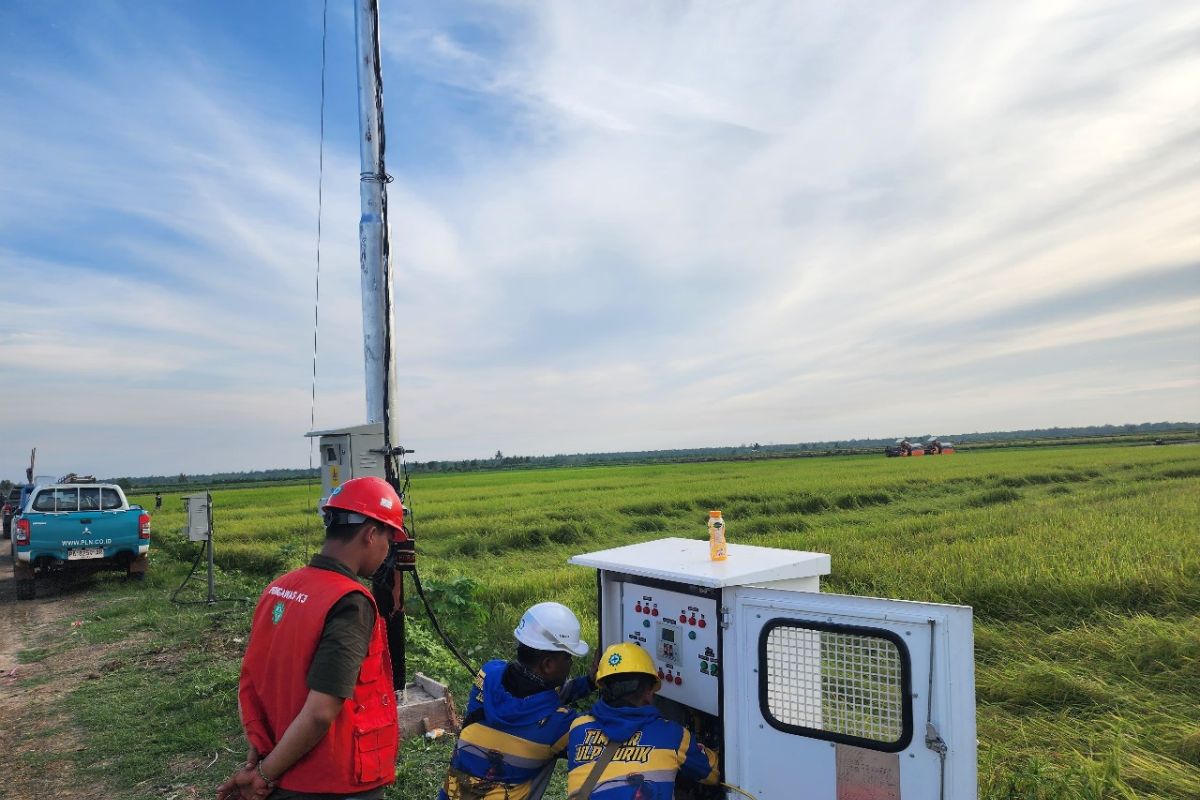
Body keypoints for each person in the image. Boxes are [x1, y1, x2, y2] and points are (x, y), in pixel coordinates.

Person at [217, 476, 404, 800]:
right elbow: (320, 712)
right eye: (388, 539)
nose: (387, 551)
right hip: (333, 784)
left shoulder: (278, 589)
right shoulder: (349, 602)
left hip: (283, 772)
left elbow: (254, 681)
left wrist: (259, 755)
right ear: (371, 534)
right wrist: (263, 774)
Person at [439, 602, 594, 800]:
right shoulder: (557, 726)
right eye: (568, 658)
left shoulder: (487, 674)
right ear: (547, 664)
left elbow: (537, 699)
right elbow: (602, 743)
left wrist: (589, 682)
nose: (571, 663)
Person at [566, 643, 719, 800]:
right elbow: (713, 774)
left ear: (602, 686)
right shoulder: (673, 736)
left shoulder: (578, 726)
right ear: (649, 692)